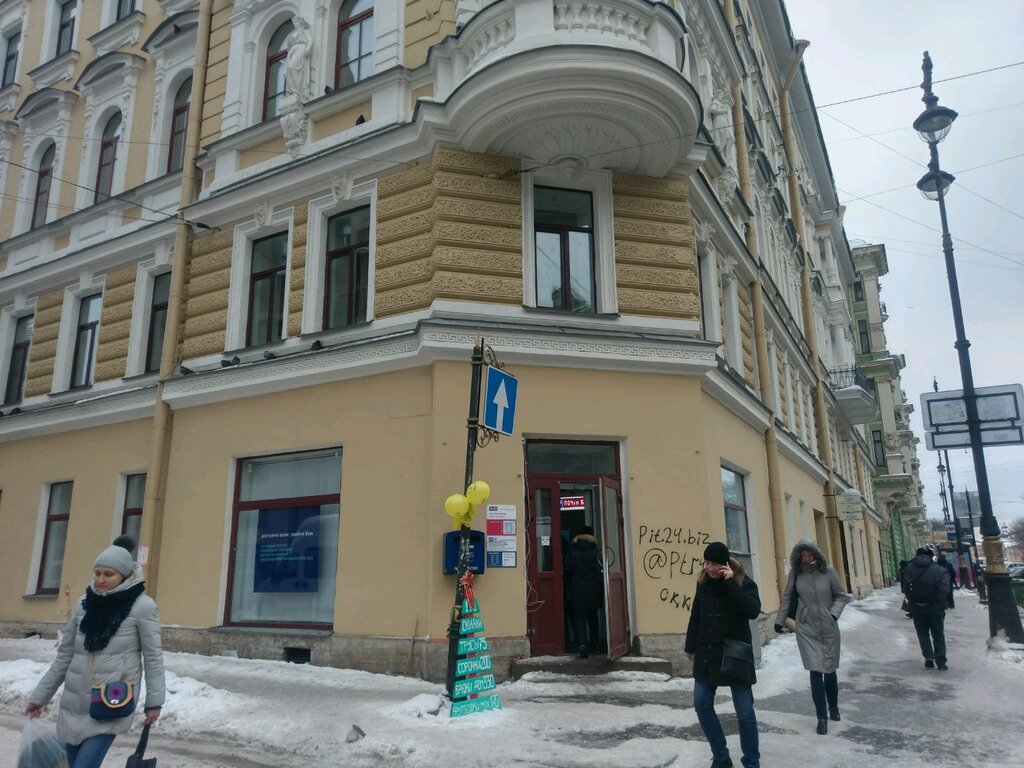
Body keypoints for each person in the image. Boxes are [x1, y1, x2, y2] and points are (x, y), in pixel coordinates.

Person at [25, 537, 165, 768]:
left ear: (125, 575)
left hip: (108, 703)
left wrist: (154, 702)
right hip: (73, 704)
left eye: (108, 574)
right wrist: (39, 698)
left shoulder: (142, 607)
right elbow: (65, 657)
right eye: (97, 573)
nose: (100, 579)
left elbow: (153, 657)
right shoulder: (84, 604)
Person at [685, 542, 761, 768]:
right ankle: (721, 756)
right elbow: (696, 615)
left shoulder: (742, 583)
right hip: (708, 652)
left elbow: (752, 611)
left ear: (725, 564)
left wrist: (730, 584)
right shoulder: (703, 583)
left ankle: (751, 762)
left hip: (735, 654)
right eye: (707, 563)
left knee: (745, 711)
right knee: (701, 704)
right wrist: (690, 646)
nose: (709, 568)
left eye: (715, 564)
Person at [773, 540, 852, 736]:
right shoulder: (796, 573)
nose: (806, 559)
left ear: (816, 555)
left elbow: (842, 596)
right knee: (815, 671)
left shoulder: (828, 572)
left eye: (809, 555)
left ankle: (833, 706)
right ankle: (821, 717)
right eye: (803, 556)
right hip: (807, 628)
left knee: (830, 670)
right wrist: (780, 620)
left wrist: (832, 614)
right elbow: (788, 596)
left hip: (828, 627)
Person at [901, 547, 951, 671]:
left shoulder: (908, 568)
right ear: (931, 556)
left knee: (922, 633)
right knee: (938, 634)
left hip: (917, 608)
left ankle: (928, 657)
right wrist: (935, 600)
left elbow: (905, 588)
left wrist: (914, 599)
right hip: (936, 608)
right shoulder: (940, 570)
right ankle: (941, 661)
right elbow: (945, 589)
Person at [563, 525, 603, 659]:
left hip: (578, 586)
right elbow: (600, 569)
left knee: (579, 617)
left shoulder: (572, 552)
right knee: (593, 618)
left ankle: (582, 645)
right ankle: (596, 645)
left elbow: (567, 569)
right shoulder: (596, 552)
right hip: (593, 587)